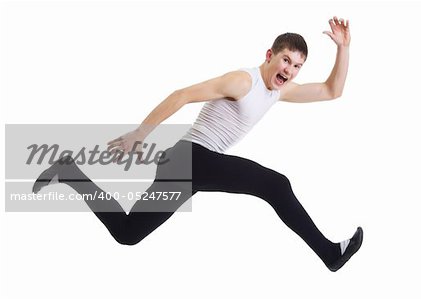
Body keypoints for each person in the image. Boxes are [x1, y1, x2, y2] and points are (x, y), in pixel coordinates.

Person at [33, 16, 363, 272]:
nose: (290, 70)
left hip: (186, 166)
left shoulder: (281, 90)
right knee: (276, 185)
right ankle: (330, 253)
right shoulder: (242, 80)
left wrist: (343, 48)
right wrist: (140, 134)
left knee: (127, 233)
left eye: (297, 66)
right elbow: (182, 95)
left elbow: (333, 91)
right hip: (192, 158)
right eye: (287, 60)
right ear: (270, 55)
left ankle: (69, 172)